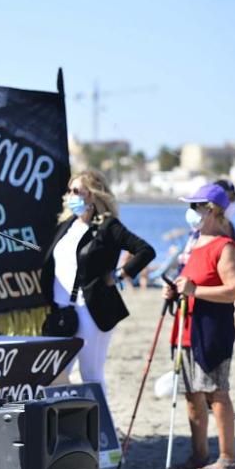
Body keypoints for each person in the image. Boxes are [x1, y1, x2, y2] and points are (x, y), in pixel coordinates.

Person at [42, 170, 155, 397]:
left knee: (90, 375)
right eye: (69, 190)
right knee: (54, 374)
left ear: (92, 196)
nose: (69, 196)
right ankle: (64, 428)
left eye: (76, 191)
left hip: (91, 310)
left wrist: (120, 274)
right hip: (60, 312)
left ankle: (103, 431)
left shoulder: (107, 227)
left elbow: (145, 251)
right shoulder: (68, 225)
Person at [164, 183, 235, 469]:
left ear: (211, 211)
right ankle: (200, 455)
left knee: (216, 392)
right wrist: (176, 290)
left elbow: (234, 289)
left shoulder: (224, 246)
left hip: (212, 329)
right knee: (191, 393)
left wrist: (195, 290)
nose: (191, 212)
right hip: (186, 326)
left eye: (195, 206)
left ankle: (228, 457)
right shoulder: (195, 242)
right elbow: (189, 281)